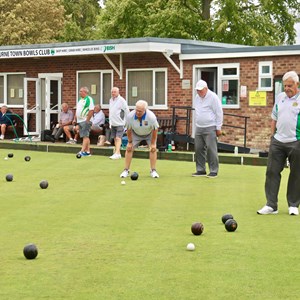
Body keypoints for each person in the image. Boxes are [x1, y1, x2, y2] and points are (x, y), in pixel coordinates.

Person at [257, 71, 300, 216]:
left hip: (296, 141)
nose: (286, 88)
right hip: (278, 141)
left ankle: (293, 205)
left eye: (289, 85)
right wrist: (272, 135)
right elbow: (274, 117)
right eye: (285, 85)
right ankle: (271, 205)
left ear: (297, 84)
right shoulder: (280, 97)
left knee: (296, 173)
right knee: (271, 172)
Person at [120, 100, 160, 178]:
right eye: (136, 110)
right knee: (129, 148)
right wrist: (130, 142)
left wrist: (153, 143)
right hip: (135, 133)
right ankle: (126, 170)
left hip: (149, 133)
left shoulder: (151, 116)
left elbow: (155, 129)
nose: (137, 112)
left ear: (145, 110)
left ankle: (153, 170)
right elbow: (128, 129)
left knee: (153, 149)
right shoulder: (130, 116)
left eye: (140, 111)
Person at [192, 79, 223, 178]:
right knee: (198, 149)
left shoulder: (213, 97)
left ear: (206, 89)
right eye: (197, 90)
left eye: (200, 90)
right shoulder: (197, 97)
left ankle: (213, 170)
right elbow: (197, 112)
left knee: (211, 149)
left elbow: (219, 113)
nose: (199, 92)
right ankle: (200, 170)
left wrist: (218, 128)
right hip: (199, 127)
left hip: (210, 127)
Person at [108, 87, 130, 159]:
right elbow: (111, 111)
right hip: (113, 122)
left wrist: (127, 122)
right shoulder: (111, 100)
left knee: (118, 138)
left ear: (118, 92)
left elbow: (127, 111)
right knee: (115, 138)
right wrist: (110, 123)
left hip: (120, 123)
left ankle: (117, 153)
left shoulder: (121, 100)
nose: (113, 93)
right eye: (112, 92)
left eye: (114, 92)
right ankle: (118, 153)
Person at [74, 86, 95, 156]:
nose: (79, 92)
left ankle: (82, 151)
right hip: (80, 120)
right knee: (85, 136)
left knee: (85, 136)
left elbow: (91, 110)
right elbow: (77, 110)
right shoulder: (80, 100)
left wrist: (87, 120)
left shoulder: (89, 99)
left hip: (85, 120)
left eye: (81, 91)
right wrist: (75, 118)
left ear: (85, 92)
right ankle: (87, 151)